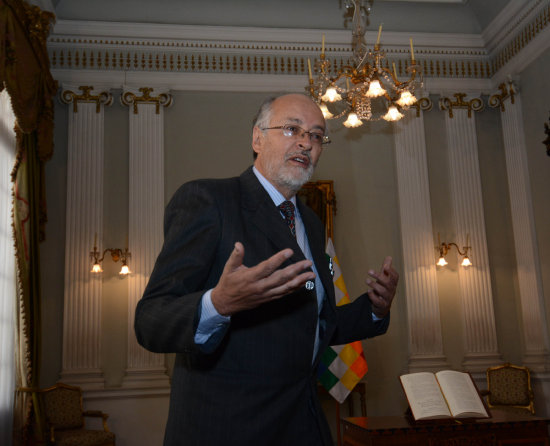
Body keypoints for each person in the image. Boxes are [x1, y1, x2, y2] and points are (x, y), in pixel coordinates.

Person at [134, 93, 398, 446]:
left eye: (317, 135)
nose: (306, 142)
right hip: (229, 428)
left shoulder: (311, 222)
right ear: (257, 139)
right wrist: (219, 303)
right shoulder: (209, 201)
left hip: (303, 423)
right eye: (292, 129)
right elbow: (150, 319)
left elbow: (313, 322)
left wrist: (375, 309)